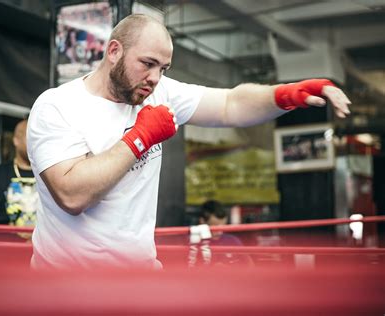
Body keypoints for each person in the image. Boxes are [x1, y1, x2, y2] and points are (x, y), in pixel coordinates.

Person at [27, 14, 351, 270]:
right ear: (114, 51)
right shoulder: (58, 106)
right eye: (148, 63)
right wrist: (140, 137)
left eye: (163, 68)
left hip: (137, 280)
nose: (155, 77)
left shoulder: (159, 91)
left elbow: (230, 104)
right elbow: (72, 194)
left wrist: (285, 94)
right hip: (66, 285)